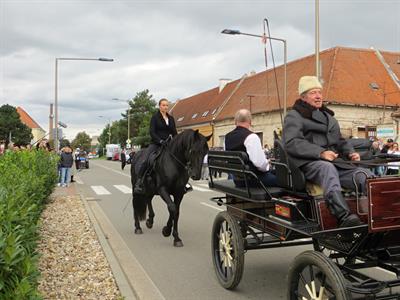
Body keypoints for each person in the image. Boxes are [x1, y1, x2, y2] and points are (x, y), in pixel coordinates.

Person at [283, 76, 374, 228]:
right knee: (327, 168)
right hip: (310, 163)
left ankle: (380, 213)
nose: (318, 96)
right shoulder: (294, 116)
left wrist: (351, 152)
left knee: (364, 175)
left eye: (319, 92)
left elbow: (340, 140)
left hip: (336, 162)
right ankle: (343, 217)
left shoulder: (328, 117)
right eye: (313, 93)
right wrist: (320, 153)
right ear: (303, 97)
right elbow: (292, 142)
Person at [225, 109, 277, 187]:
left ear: (235, 121)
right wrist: (268, 165)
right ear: (250, 121)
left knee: (274, 173)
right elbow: (260, 164)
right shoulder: (251, 137)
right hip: (252, 179)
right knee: (285, 180)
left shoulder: (227, 136)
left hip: (237, 179)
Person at [134, 98, 178, 193]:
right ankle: (139, 181)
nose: (166, 107)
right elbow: (152, 132)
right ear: (159, 106)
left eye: (167, 105)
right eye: (163, 105)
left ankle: (182, 183)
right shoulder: (155, 117)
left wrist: (176, 142)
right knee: (146, 159)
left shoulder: (171, 118)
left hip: (169, 145)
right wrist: (160, 141)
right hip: (156, 144)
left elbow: (174, 132)